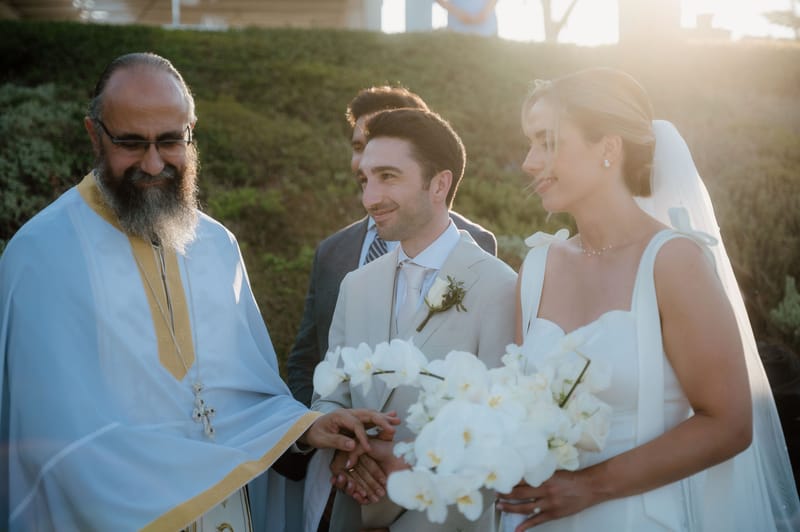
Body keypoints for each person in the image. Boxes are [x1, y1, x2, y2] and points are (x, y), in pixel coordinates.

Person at [0, 52, 399, 531]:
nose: (153, 163)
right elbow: (48, 441)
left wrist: (307, 429)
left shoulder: (215, 245)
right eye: (131, 143)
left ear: (191, 132)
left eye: (170, 141)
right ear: (94, 135)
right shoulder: (41, 255)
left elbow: (247, 395)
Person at [496, 68, 800, 531]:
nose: (528, 162)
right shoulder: (537, 266)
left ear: (608, 148)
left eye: (547, 142)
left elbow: (729, 424)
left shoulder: (672, 261)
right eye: (529, 143)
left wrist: (590, 486)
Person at [306, 108, 517, 531]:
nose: (369, 199)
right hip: (353, 513)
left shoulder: (501, 287)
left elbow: (502, 429)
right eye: (365, 180)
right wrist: (336, 436)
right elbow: (330, 395)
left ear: (439, 184)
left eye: (388, 177)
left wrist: (409, 469)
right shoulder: (356, 285)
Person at [286, 85, 496, 408]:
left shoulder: (491, 273)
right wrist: (326, 427)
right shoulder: (339, 262)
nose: (369, 197)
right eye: (359, 147)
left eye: (388, 173)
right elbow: (314, 367)